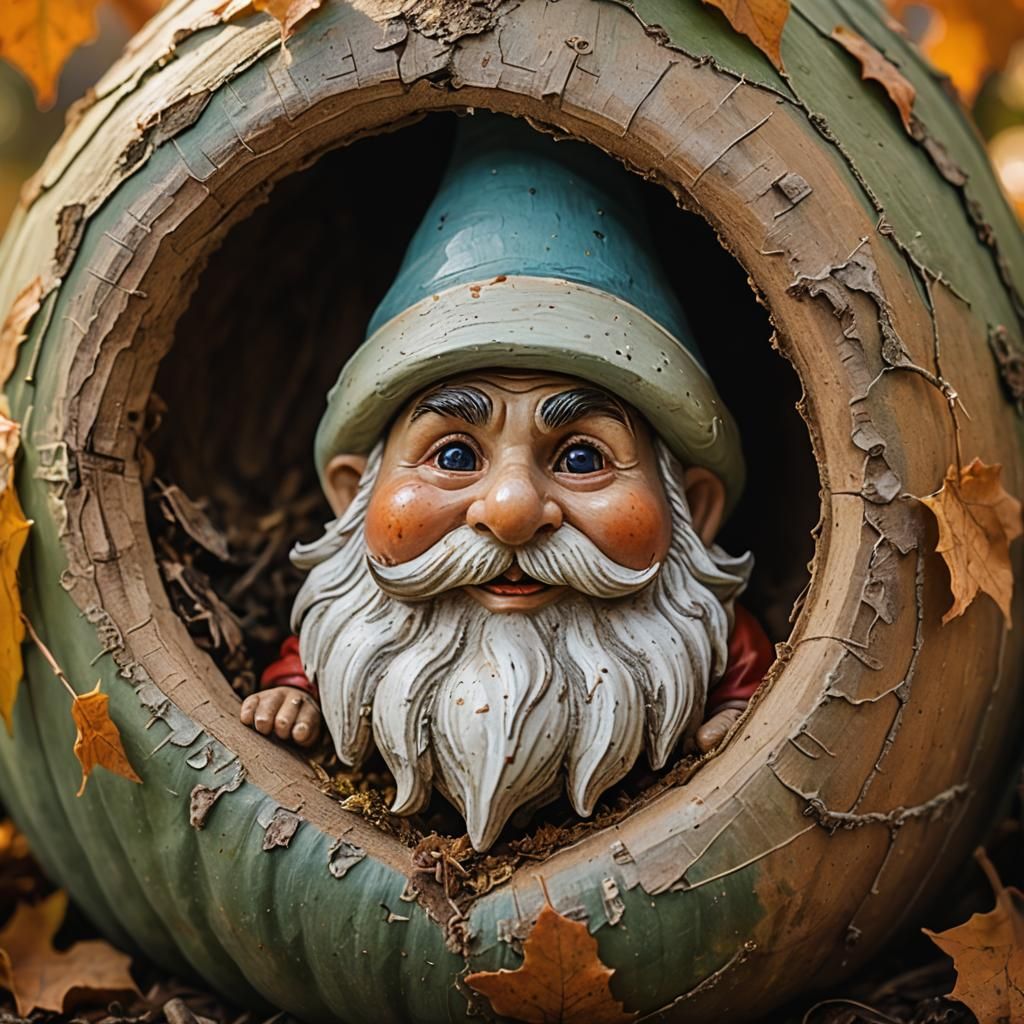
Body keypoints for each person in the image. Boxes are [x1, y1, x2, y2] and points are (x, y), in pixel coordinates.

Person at [240, 114, 773, 851]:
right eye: (455, 456)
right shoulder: (355, 628)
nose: (513, 510)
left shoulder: (702, 633)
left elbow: (740, 665)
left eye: (583, 457)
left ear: (696, 512)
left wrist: (741, 705)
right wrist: (295, 691)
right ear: (350, 494)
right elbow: (313, 653)